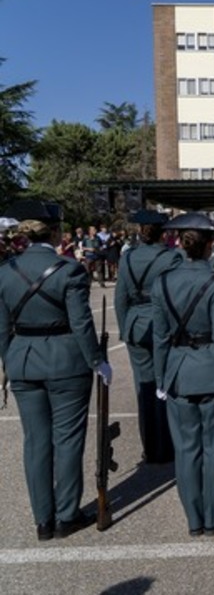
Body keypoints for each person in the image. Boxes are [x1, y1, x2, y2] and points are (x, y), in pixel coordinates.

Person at [0, 200, 111, 541]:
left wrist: (10, 362)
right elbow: (80, 323)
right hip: (65, 359)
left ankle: (42, 520)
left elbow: (2, 328)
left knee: (35, 442)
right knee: (67, 439)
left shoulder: (5, 271)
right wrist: (97, 360)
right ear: (57, 231)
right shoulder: (69, 269)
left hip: (23, 358)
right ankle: (67, 514)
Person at [151, 212, 214, 537]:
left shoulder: (163, 281)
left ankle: (194, 518)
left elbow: (160, 336)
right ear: (210, 245)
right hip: (212, 369)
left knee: (186, 449)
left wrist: (161, 377)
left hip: (178, 370)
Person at [114, 209, 184, 464]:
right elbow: (177, 295)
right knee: (165, 385)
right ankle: (167, 445)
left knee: (144, 388)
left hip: (136, 324)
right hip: (163, 322)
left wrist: (125, 329)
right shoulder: (172, 258)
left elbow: (120, 298)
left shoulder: (128, 258)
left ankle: (151, 448)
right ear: (162, 233)